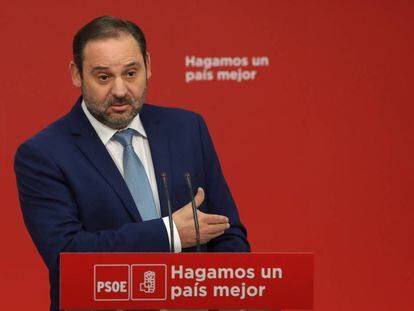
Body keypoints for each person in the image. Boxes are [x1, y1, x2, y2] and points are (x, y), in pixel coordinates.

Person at [14, 16, 250, 311]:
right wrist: (170, 234)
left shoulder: (187, 128)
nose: (120, 90)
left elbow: (227, 232)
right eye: (103, 77)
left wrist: (231, 295)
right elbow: (67, 257)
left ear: (148, 66)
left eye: (130, 73)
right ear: (77, 74)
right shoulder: (43, 154)